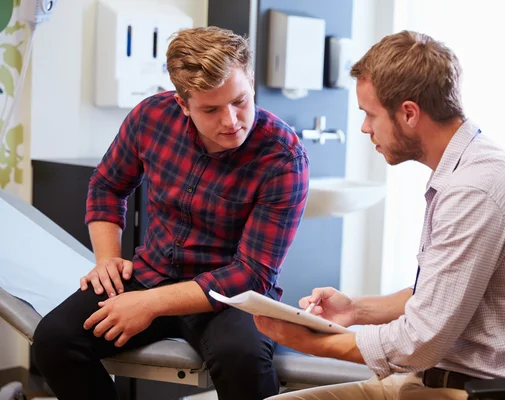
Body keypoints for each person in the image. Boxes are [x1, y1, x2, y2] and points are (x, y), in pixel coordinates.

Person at [254, 30, 505, 400]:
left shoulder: (474, 189)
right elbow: (435, 297)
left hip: (480, 391)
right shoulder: (463, 168)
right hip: (437, 379)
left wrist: (312, 342)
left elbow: (420, 341)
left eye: (370, 114)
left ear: (409, 113)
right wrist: (355, 310)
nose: (365, 128)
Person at [31, 26, 310, 400]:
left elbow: (252, 273)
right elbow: (107, 185)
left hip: (229, 296)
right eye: (210, 109)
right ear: (182, 103)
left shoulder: (283, 157)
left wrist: (148, 304)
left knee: (241, 356)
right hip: (151, 273)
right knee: (54, 340)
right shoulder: (152, 117)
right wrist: (108, 260)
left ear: (252, 83)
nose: (231, 121)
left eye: (240, 101)